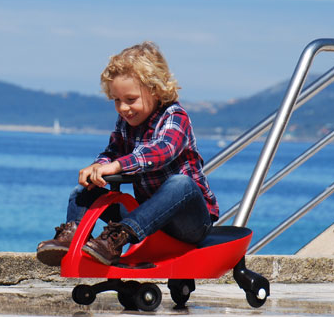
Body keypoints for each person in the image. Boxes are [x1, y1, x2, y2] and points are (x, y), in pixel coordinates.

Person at [36, 41, 219, 267]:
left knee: (180, 183)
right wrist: (99, 166)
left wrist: (117, 166)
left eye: (131, 100)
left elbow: (162, 151)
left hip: (188, 222)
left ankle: (116, 238)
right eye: (117, 101)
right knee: (83, 191)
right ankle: (74, 237)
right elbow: (112, 152)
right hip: (148, 218)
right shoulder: (126, 123)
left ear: (156, 90)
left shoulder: (175, 116)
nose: (123, 108)